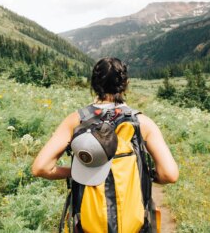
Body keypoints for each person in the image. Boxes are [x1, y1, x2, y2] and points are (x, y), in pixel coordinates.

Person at [32, 57, 178, 231]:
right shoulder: (142, 122)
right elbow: (170, 175)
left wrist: (79, 172)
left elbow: (40, 168)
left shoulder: (76, 120)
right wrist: (145, 173)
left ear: (93, 84)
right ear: (126, 84)